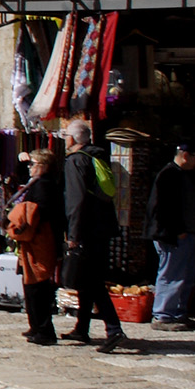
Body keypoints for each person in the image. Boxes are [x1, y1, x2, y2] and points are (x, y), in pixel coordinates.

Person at [62, 118, 128, 353]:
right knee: (87, 281)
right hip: (103, 228)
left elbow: (76, 200)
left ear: (73, 139)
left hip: (86, 229)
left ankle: (114, 329)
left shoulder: (76, 161)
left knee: (92, 281)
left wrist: (73, 233)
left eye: (66, 136)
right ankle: (82, 327)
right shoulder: (98, 156)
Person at [7, 148, 64, 346]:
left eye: (33, 164)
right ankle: (36, 326)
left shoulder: (45, 185)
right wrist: (21, 162)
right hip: (34, 240)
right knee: (31, 284)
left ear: (44, 166)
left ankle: (45, 331)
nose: (29, 167)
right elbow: (20, 177)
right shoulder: (38, 183)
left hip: (41, 240)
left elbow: (37, 213)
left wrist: (21, 219)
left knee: (38, 285)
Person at [145, 143, 195, 330]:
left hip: (183, 235)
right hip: (173, 236)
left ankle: (178, 312)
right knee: (171, 275)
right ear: (185, 155)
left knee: (184, 276)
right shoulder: (169, 174)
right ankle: (163, 315)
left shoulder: (181, 174)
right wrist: (177, 230)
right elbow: (163, 207)